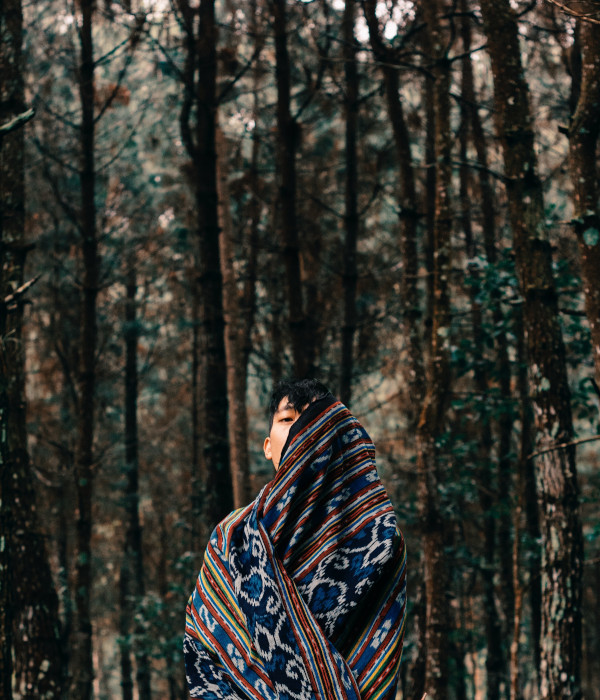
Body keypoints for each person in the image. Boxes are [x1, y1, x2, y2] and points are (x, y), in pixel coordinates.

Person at [184, 379, 406, 699]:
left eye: (311, 419)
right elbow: (203, 650)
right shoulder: (231, 537)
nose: (299, 429)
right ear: (267, 446)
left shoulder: (381, 539)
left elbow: (379, 662)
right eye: (287, 420)